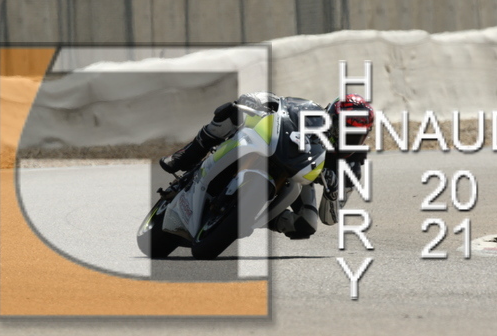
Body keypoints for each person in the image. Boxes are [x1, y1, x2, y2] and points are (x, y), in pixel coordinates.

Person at [160, 92, 374, 239]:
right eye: (341, 128)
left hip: (301, 177)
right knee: (231, 111)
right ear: (330, 116)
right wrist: (257, 99)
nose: (345, 137)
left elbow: (330, 218)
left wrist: (332, 192)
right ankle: (186, 155)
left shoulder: (352, 166)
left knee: (306, 225)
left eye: (354, 135)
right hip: (275, 147)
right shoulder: (311, 111)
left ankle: (253, 218)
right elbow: (279, 103)